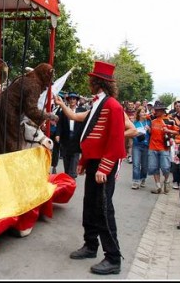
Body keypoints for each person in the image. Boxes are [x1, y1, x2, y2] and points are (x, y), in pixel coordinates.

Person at [54, 60, 129, 276]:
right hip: (94, 162)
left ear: (98, 82)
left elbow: (115, 141)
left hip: (104, 164)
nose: (89, 83)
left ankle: (113, 258)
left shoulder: (113, 106)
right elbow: (90, 134)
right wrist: (84, 162)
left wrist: (103, 168)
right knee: (90, 206)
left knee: (104, 210)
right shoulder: (99, 104)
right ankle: (90, 245)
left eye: (91, 80)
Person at [147, 101, 179, 194]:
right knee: (153, 167)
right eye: (155, 110)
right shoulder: (152, 121)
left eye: (157, 110)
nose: (155, 112)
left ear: (162, 111)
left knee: (165, 168)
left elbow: (178, 132)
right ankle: (158, 186)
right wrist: (149, 130)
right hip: (152, 147)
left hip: (164, 148)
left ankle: (166, 181)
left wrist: (168, 130)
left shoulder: (169, 120)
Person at [55, 92, 86, 179]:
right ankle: (68, 176)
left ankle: (71, 177)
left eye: (74, 99)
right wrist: (57, 134)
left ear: (77, 100)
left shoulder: (82, 110)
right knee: (66, 160)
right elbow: (59, 124)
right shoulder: (63, 111)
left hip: (76, 139)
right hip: (66, 139)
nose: (72, 100)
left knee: (74, 159)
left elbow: (85, 124)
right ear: (68, 100)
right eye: (70, 99)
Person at [131, 106, 151, 189]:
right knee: (136, 164)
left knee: (145, 165)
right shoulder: (135, 123)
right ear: (138, 113)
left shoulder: (148, 122)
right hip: (137, 145)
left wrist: (149, 129)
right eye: (142, 112)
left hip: (146, 146)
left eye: (145, 112)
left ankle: (143, 178)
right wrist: (136, 134)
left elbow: (151, 133)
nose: (144, 113)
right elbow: (131, 133)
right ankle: (135, 181)